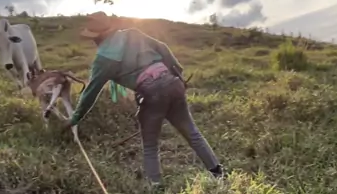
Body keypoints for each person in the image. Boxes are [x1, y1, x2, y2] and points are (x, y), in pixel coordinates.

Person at [69, 13, 225, 185]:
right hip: (172, 82)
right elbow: (163, 47)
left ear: (96, 38)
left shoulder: (103, 60)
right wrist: (178, 74)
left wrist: (75, 118)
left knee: (150, 144)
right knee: (192, 132)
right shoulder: (132, 34)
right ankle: (218, 174)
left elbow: (90, 92)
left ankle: (155, 186)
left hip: (152, 92)